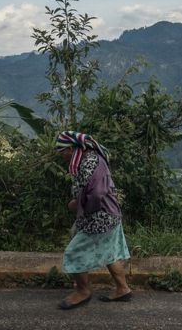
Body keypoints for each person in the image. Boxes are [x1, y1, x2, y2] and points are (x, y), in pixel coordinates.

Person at [55, 131, 132, 310]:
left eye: (62, 151)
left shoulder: (90, 162)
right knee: (110, 252)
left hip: (99, 218)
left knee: (73, 253)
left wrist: (78, 205)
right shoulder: (89, 158)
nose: (61, 156)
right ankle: (123, 289)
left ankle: (82, 291)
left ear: (72, 148)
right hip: (110, 213)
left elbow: (97, 194)